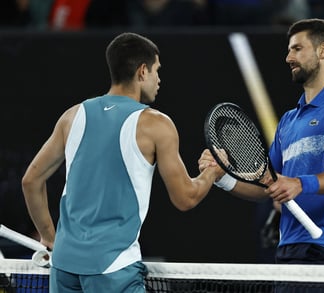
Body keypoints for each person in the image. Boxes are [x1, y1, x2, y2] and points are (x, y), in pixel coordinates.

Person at [21, 32, 221, 293]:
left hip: (64, 268)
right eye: (156, 71)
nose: (159, 79)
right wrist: (212, 172)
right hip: (113, 269)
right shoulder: (157, 124)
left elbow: (30, 181)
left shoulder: (72, 116)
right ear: (142, 71)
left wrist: (50, 238)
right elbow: (186, 198)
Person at [199, 18, 324, 267]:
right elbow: (266, 186)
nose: (288, 57)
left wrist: (299, 184)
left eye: (297, 48)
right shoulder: (287, 121)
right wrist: (222, 175)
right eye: (289, 50)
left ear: (323, 51)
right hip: (288, 248)